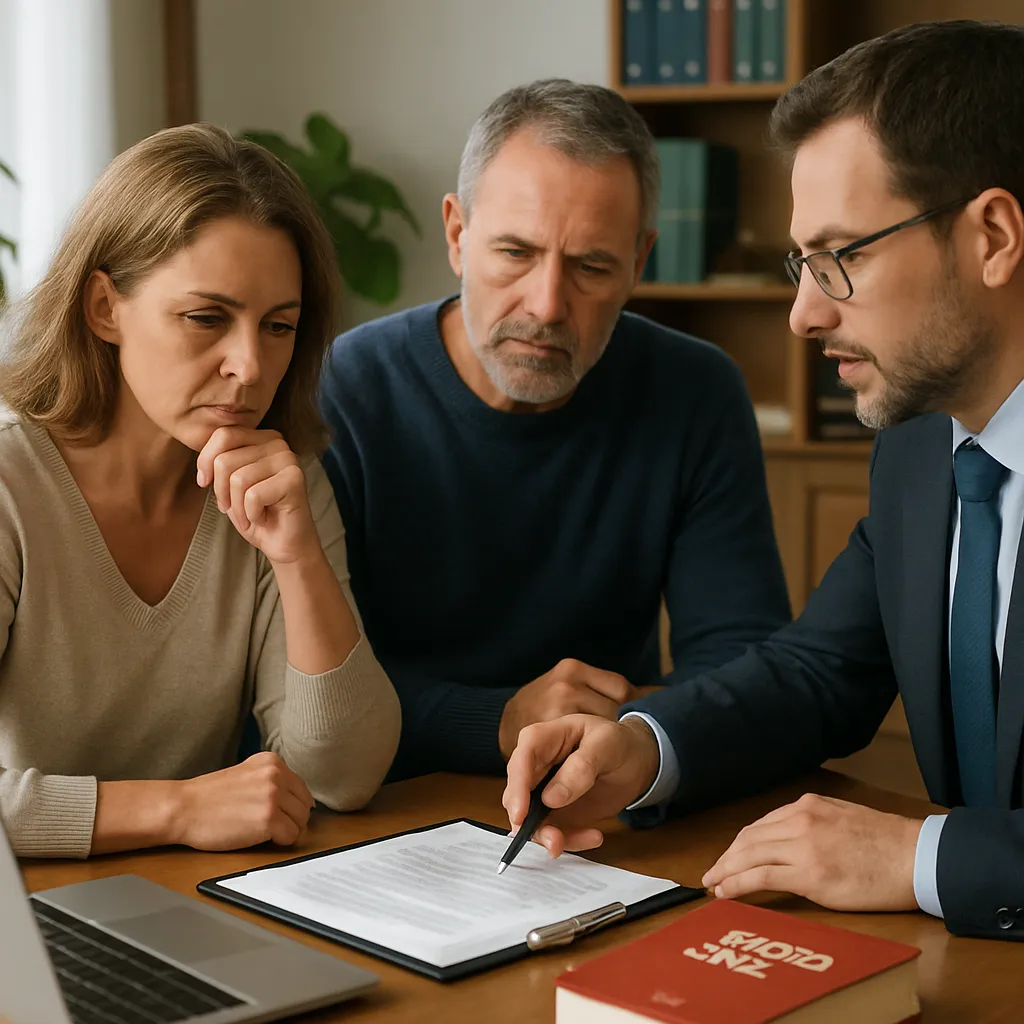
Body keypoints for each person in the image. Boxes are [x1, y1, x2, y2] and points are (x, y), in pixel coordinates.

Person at [503, 20, 1024, 942]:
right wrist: (642, 746)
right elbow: (818, 671)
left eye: (843, 257)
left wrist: (919, 858)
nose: (803, 313)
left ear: (992, 236)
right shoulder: (919, 447)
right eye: (800, 262)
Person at [320, 79, 791, 781]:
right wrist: (501, 719)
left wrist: (634, 736)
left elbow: (742, 662)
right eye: (515, 253)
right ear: (457, 235)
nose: (545, 305)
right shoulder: (349, 388)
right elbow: (310, 686)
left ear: (637, 264)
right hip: (387, 793)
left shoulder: (695, 393)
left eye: (591, 266)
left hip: (599, 786)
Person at [0, 124, 401, 859]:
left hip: (191, 905)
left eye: (278, 326)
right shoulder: (8, 488)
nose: (249, 366)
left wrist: (297, 557)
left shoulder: (282, 483)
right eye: (206, 318)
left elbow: (342, 775)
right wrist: (176, 810)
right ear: (103, 308)